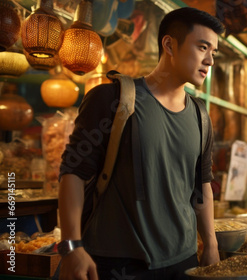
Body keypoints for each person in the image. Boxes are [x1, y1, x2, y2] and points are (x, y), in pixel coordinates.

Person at [57, 7, 224, 280]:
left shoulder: (200, 116)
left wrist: (211, 244)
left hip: (185, 261)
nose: (210, 61)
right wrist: (71, 246)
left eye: (213, 52)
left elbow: (202, 184)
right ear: (169, 44)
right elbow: (73, 172)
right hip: (119, 265)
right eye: (202, 47)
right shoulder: (113, 99)